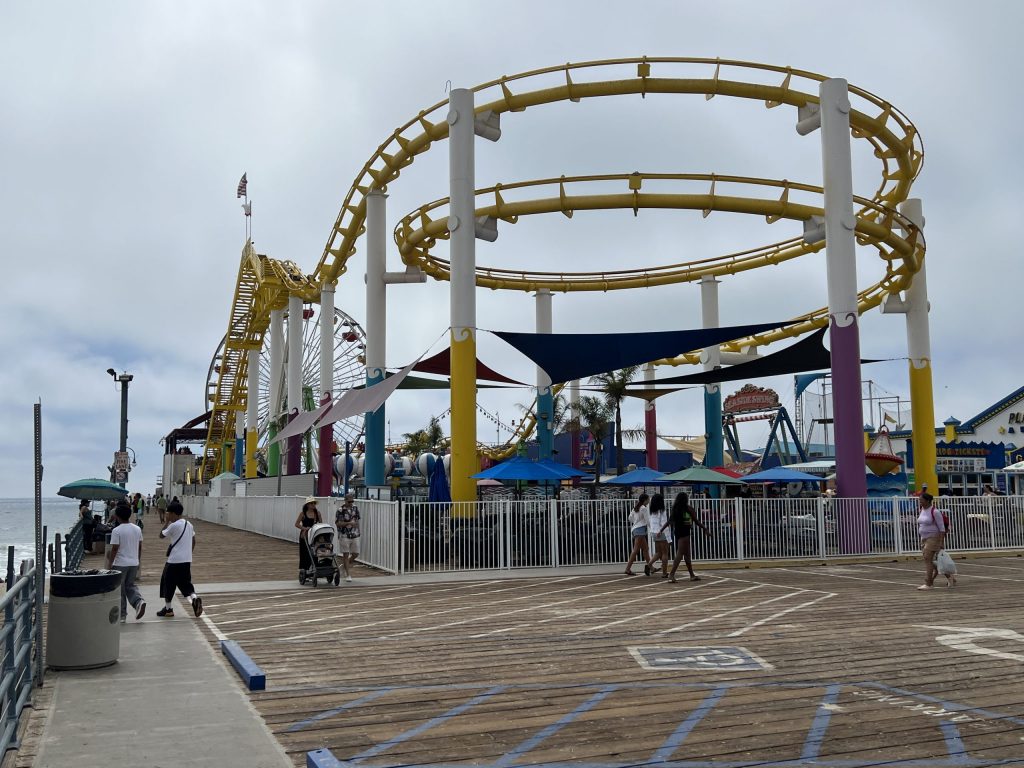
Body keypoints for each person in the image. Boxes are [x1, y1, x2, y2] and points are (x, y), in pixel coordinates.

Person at [156, 501, 202, 618]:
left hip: (173, 561)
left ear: (173, 514)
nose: (167, 515)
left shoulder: (173, 525)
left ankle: (168, 609)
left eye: (168, 513)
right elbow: (194, 540)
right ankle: (194, 598)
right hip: (186, 560)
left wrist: (166, 522)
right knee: (185, 582)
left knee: (168, 583)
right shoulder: (189, 524)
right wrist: (188, 554)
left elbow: (161, 535)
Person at [106, 503, 146, 623]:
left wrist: (110, 564)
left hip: (120, 563)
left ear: (117, 516)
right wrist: (137, 561)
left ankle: (122, 615)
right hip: (133, 562)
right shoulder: (137, 529)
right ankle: (139, 602)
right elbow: (139, 546)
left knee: (120, 589)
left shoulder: (116, 530)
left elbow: (114, 549)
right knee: (130, 585)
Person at [661, 491, 712, 583]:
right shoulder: (689, 509)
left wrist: (661, 530)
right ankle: (671, 574)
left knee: (687, 554)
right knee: (680, 554)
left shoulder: (676, 509)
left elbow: (669, 521)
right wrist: (705, 529)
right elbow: (696, 521)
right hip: (685, 532)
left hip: (678, 532)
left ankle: (692, 575)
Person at [917, 492, 952, 590]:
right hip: (924, 538)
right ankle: (949, 576)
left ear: (927, 500)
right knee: (928, 560)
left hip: (934, 537)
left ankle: (928, 583)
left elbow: (941, 528)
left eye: (921, 500)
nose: (920, 501)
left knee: (928, 559)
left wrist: (941, 542)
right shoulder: (922, 510)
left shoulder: (935, 512)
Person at [335, 492, 361, 582]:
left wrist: (357, 527)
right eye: (349, 501)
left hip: (355, 534)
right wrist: (349, 523)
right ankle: (348, 574)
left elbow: (357, 520)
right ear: (345, 500)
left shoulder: (355, 508)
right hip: (344, 534)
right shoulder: (340, 510)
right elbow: (337, 523)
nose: (351, 503)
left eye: (352, 501)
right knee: (345, 554)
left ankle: (344, 566)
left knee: (356, 553)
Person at [295, 497, 322, 578]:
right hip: (305, 535)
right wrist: (304, 528)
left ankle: (314, 568)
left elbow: (321, 523)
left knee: (314, 551)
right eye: (311, 503)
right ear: (307, 505)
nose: (313, 505)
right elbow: (296, 524)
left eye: (314, 503)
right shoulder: (303, 513)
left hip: (314, 534)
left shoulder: (317, 513)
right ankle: (305, 569)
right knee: (304, 552)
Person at [624, 493, 651, 576]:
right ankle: (627, 569)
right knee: (636, 550)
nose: (649, 500)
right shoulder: (644, 508)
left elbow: (630, 518)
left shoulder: (636, 507)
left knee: (646, 549)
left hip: (636, 529)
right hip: (640, 530)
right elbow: (647, 521)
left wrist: (636, 522)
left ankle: (651, 567)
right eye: (648, 499)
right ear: (645, 500)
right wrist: (653, 529)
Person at [644, 493, 671, 578]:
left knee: (658, 552)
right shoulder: (662, 511)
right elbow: (664, 523)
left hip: (654, 533)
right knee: (665, 553)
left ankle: (649, 565)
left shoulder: (652, 511)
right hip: (661, 532)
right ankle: (664, 573)